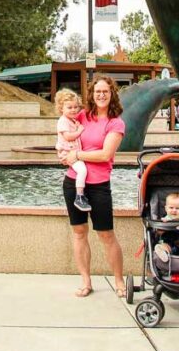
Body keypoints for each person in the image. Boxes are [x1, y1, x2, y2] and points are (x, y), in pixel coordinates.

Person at [60, 74, 126, 298]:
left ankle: (119, 281)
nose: (101, 95)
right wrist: (62, 153)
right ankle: (86, 282)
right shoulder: (81, 116)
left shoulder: (115, 122)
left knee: (106, 234)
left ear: (111, 94)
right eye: (97, 91)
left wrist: (76, 154)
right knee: (79, 233)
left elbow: (106, 154)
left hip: (98, 184)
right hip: (73, 182)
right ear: (92, 94)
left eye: (105, 91)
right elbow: (63, 132)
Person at [54, 89, 91, 212]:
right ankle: (79, 196)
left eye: (76, 107)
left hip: (73, 152)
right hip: (68, 152)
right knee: (82, 170)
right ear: (61, 109)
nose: (74, 110)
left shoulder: (72, 120)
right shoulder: (63, 121)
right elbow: (68, 137)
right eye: (69, 107)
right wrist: (80, 130)